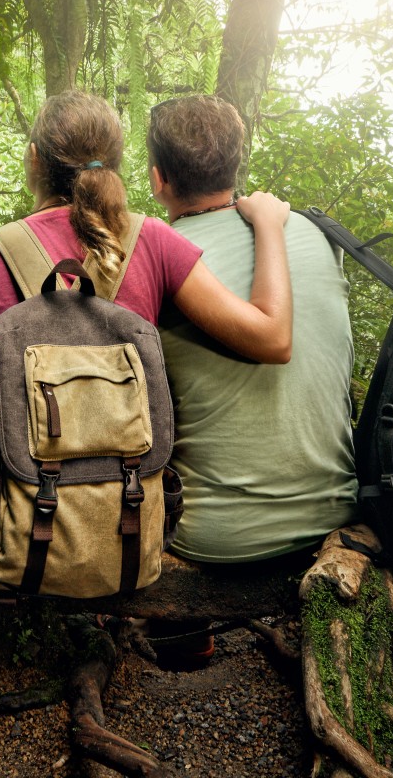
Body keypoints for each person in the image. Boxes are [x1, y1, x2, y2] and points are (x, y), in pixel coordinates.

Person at [0, 90, 295, 462]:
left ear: (33, 159)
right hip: (128, 494)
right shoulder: (152, 239)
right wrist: (268, 225)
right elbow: (271, 339)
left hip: (23, 500)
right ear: (113, 165)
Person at [147, 95, 356, 566]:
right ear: (235, 165)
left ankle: (184, 638)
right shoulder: (317, 234)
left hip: (217, 537)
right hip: (335, 514)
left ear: (158, 178)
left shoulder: (155, 256)